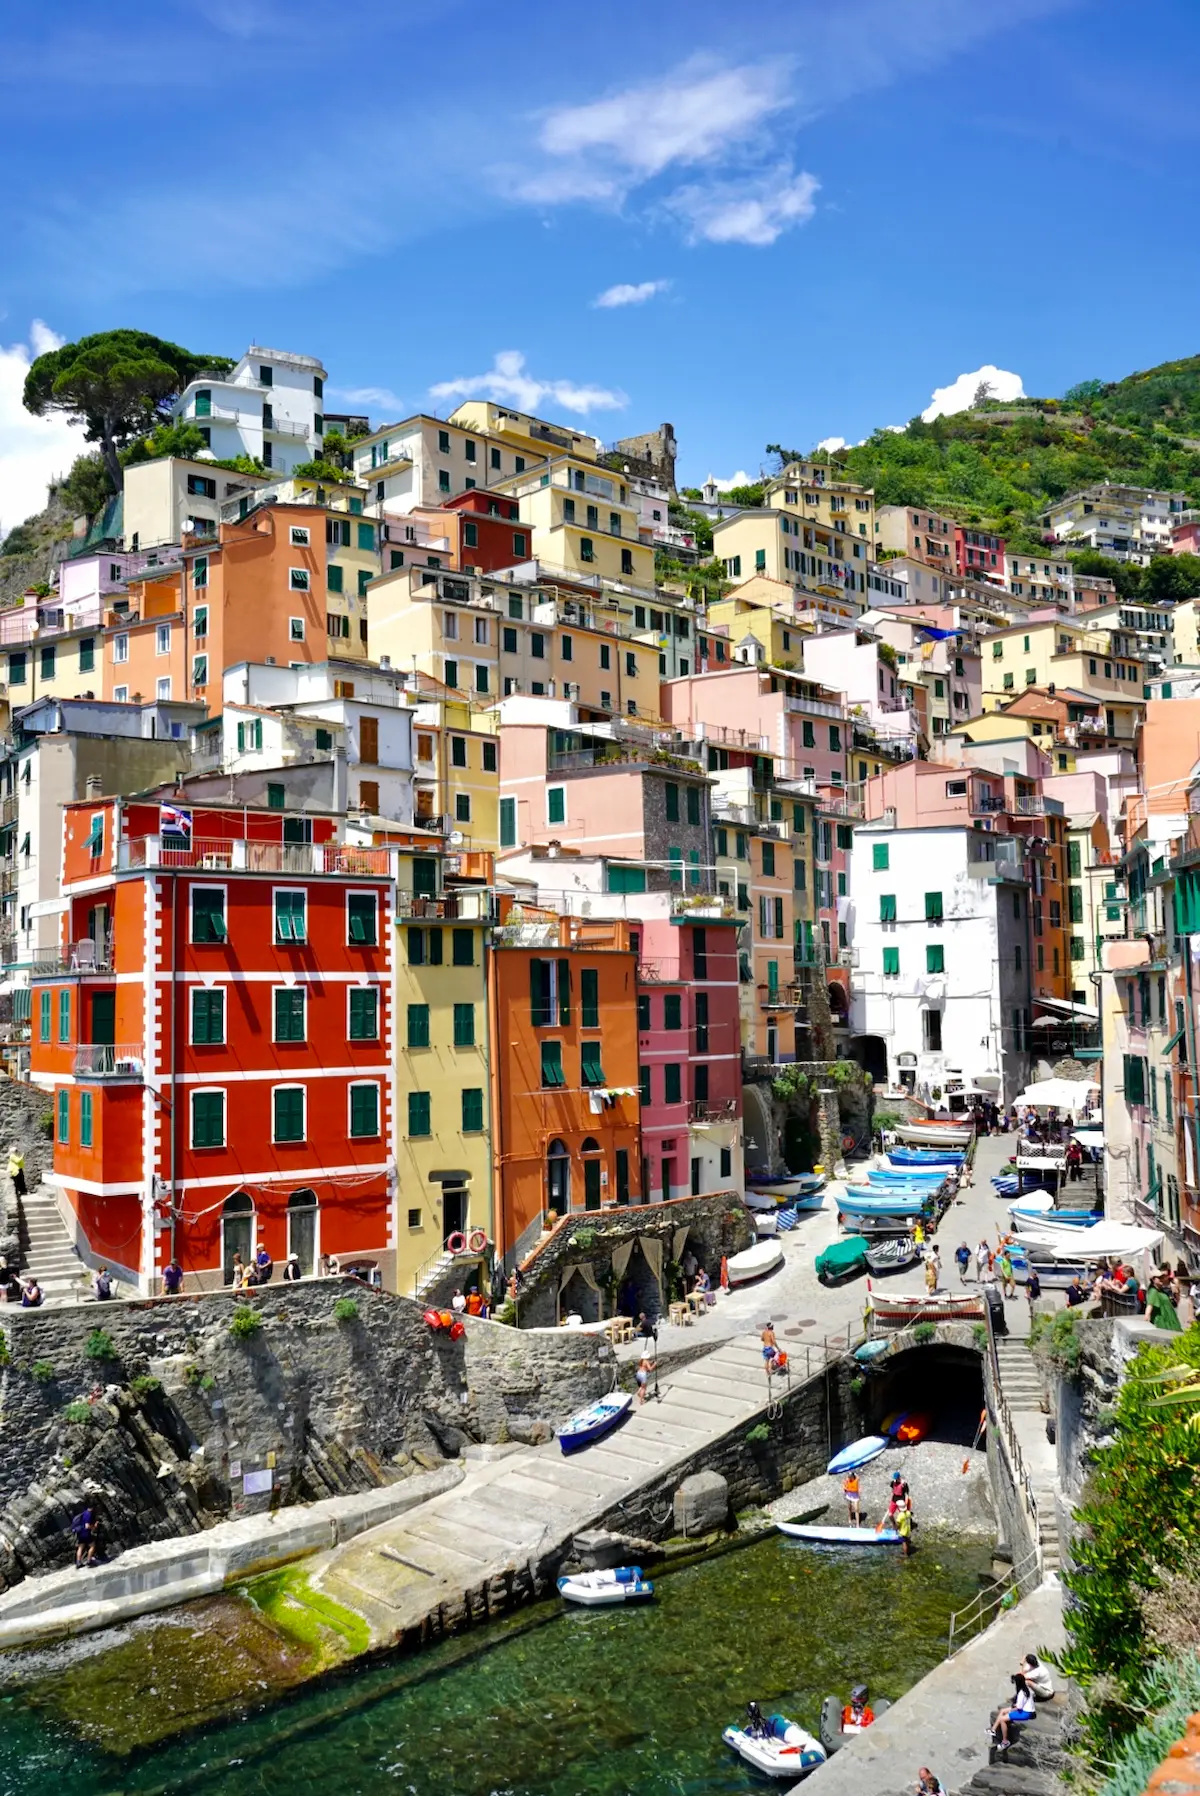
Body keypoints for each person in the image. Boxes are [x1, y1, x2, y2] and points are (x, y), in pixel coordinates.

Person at [992, 1673, 1037, 1750]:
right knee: (1003, 1711)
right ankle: (993, 1729)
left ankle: (1005, 1741)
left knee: (1002, 1720)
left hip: (1025, 1713)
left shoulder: (1021, 1693)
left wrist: (1011, 1710)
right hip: (1028, 1710)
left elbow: (1018, 1707)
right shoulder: (1027, 1689)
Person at [72, 1504, 98, 1569]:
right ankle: (89, 1561)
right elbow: (87, 1526)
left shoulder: (83, 1513)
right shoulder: (88, 1514)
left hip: (80, 1533)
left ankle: (78, 1562)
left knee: (80, 1547)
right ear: (92, 1508)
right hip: (85, 1533)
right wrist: (94, 1526)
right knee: (92, 1546)